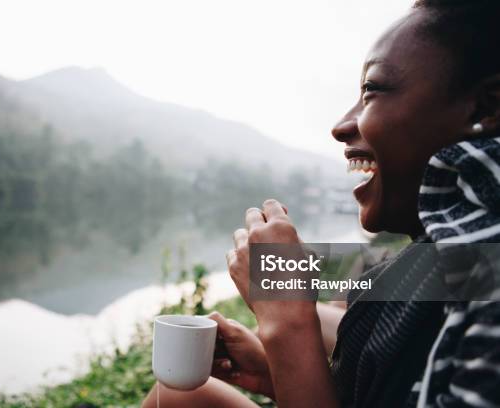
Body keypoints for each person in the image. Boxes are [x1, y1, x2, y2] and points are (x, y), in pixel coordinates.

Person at [142, 0, 500, 406]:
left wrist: (287, 322)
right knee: (184, 397)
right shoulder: (459, 251)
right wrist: (272, 371)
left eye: (373, 91)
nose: (342, 126)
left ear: (487, 108)